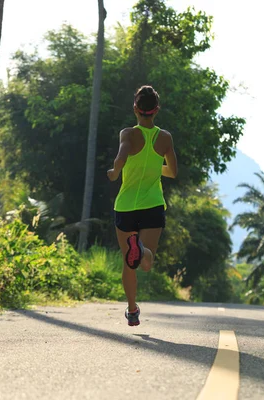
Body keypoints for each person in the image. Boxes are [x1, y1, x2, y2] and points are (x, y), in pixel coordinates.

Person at [107, 85, 178, 326]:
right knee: (145, 262)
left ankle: (132, 309)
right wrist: (154, 165)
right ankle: (142, 249)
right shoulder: (165, 138)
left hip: (126, 206)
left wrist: (115, 172)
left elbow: (121, 157)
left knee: (129, 261)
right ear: (156, 110)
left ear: (135, 108)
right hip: (152, 205)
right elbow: (173, 171)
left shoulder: (128, 134)